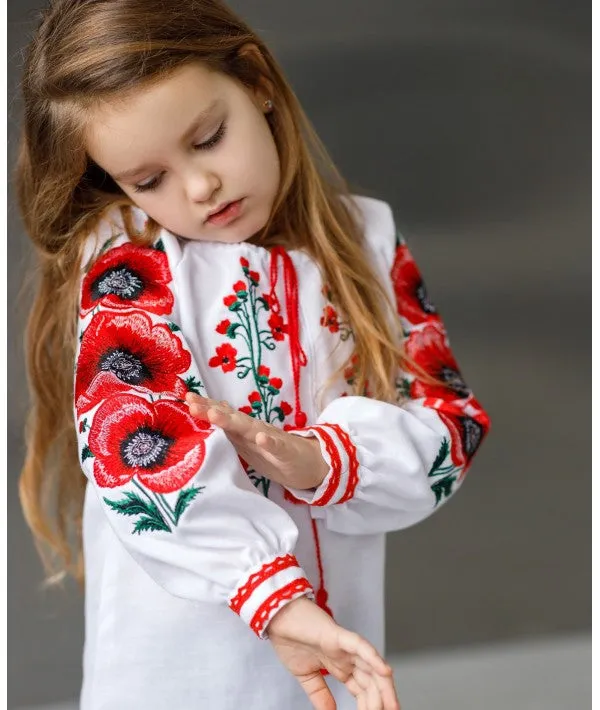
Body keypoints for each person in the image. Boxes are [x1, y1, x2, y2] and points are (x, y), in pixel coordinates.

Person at [16, 1, 490, 708]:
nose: (199, 188)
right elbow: (134, 453)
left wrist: (325, 460)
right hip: (178, 678)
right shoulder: (130, 260)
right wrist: (274, 598)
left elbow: (452, 422)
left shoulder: (369, 242)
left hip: (338, 665)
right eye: (149, 181)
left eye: (207, 138)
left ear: (256, 81)